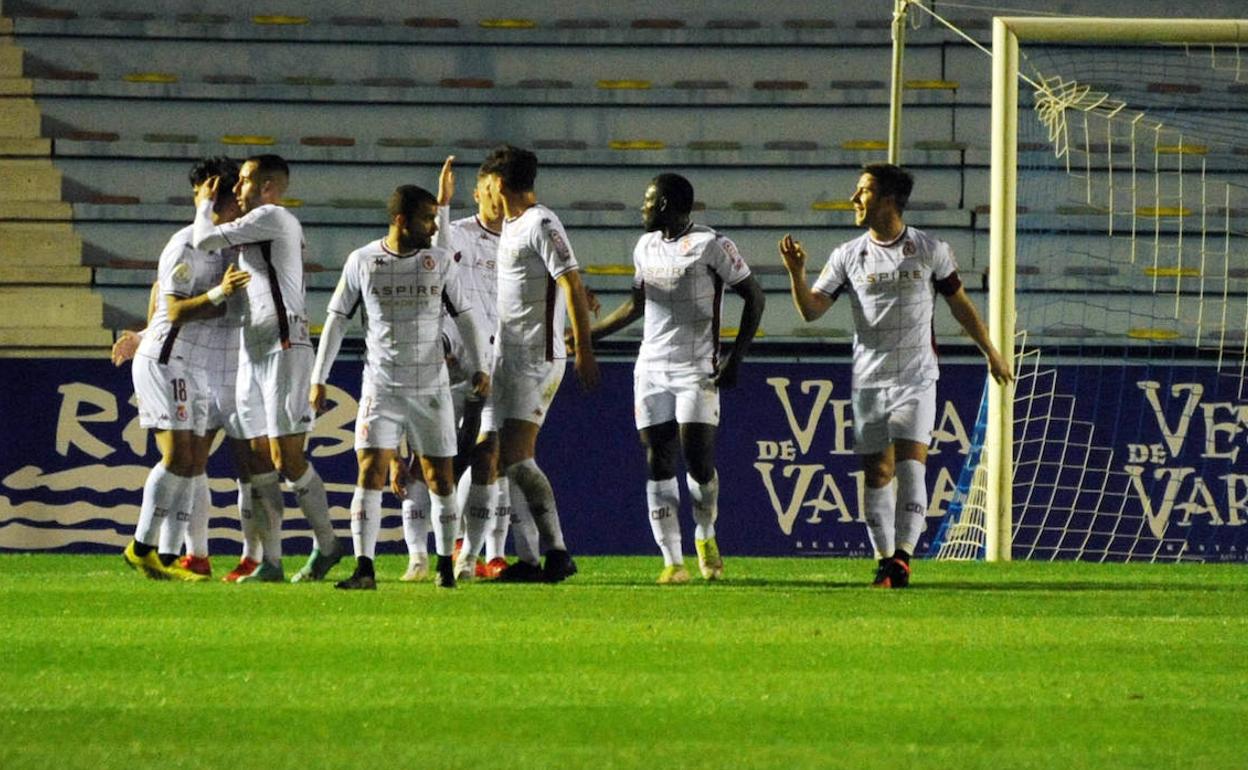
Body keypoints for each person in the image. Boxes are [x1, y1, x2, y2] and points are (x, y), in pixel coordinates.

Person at [780, 163, 1013, 588]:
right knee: (877, 474)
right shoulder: (847, 255)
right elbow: (812, 311)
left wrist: (991, 352)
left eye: (862, 191)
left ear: (887, 199)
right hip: (869, 380)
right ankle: (885, 559)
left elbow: (959, 304)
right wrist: (797, 274)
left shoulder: (928, 249)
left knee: (910, 469)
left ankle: (903, 559)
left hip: (917, 376)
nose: (854, 199)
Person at [311, 184, 489, 590]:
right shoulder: (363, 261)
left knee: (439, 478)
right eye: (427, 218)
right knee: (370, 472)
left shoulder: (440, 262)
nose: (433, 226)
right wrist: (317, 378)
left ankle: (445, 566)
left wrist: (479, 366)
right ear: (401, 220)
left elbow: (465, 316)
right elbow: (336, 319)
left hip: (430, 387)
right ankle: (365, 569)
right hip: (382, 386)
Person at [590, 173, 764, 583]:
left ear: (666, 205)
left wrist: (736, 356)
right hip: (651, 367)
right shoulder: (645, 246)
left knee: (698, 459)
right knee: (657, 458)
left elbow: (754, 296)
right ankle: (672, 561)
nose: (643, 208)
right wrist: (585, 336)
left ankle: (705, 533)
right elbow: (636, 306)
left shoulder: (711, 245)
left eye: (648, 202)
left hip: (696, 367)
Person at [113, 157, 275, 583]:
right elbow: (174, 308)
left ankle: (163, 555)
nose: (242, 204)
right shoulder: (186, 244)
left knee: (191, 461)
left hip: (198, 366)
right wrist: (220, 293)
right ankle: (144, 548)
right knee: (179, 457)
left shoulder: (227, 241)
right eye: (235, 197)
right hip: (168, 359)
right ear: (218, 197)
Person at [192, 154, 348, 583]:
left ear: (266, 187)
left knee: (286, 456)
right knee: (257, 457)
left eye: (243, 181)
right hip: (253, 347)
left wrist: (203, 204)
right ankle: (272, 561)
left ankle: (328, 542)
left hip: (285, 344)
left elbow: (204, 239)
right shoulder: (258, 225)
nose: (236, 189)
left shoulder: (273, 216)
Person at [481, 144, 599, 583]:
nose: (486, 193)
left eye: (488, 184)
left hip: (538, 356)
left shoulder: (540, 221)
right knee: (507, 459)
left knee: (517, 456)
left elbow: (570, 281)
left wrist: (584, 350)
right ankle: (531, 558)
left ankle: (557, 551)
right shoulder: (512, 226)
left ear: (499, 183)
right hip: (509, 358)